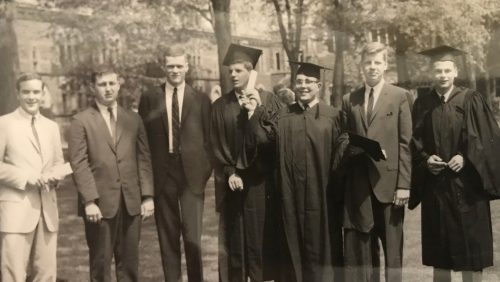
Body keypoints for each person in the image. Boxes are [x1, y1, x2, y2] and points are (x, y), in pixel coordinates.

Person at [410, 45, 500, 282]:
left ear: (455, 71)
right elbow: (414, 142)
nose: (442, 75)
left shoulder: (471, 99)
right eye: (438, 70)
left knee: (471, 252)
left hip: (467, 189)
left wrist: (465, 156)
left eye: (447, 70)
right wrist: (426, 159)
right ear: (432, 73)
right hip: (436, 190)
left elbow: (487, 138)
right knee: (440, 254)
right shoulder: (422, 104)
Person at [251, 61, 343, 282]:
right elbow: (263, 143)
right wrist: (254, 113)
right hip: (289, 198)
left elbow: (342, 154)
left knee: (322, 249)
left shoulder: (333, 116)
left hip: (322, 199)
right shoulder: (283, 117)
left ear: (319, 85)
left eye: (308, 82)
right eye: (299, 82)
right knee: (291, 247)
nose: (303, 86)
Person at [68, 65, 154, 282]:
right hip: (100, 206)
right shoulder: (81, 121)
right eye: (102, 84)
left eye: (112, 83)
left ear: (119, 84)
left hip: (131, 203)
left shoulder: (133, 119)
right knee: (101, 267)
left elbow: (143, 158)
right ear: (92, 87)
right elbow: (79, 163)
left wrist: (147, 196)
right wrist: (89, 201)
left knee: (130, 267)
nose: (108, 89)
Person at [138, 47, 212, 282]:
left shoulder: (200, 98)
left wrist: (202, 174)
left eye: (179, 66)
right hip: (163, 174)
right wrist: (148, 184)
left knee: (193, 237)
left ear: (187, 67)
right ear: (164, 68)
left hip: (192, 176)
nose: (175, 70)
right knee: (168, 236)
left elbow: (210, 141)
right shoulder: (150, 98)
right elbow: (143, 142)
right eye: (171, 66)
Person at [339, 42, 412, 282]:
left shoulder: (400, 96)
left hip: (390, 186)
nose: (372, 67)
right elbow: (343, 138)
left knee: (392, 252)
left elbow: (405, 143)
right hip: (360, 186)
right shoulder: (350, 99)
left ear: (385, 65)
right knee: (364, 250)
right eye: (368, 62)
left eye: (377, 62)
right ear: (361, 66)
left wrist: (404, 185)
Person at [210, 43, 282, 282]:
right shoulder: (220, 107)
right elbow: (217, 145)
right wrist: (230, 172)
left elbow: (274, 142)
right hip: (233, 185)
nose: (232, 75)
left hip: (262, 185)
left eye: (238, 70)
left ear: (251, 73)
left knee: (262, 239)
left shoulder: (270, 102)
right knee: (236, 243)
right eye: (230, 71)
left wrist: (255, 113)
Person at [0, 73, 65, 281]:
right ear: (18, 94)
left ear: (43, 93)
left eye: (36, 92)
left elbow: (57, 163)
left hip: (48, 213)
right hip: (16, 212)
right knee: (13, 275)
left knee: (46, 275)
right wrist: (25, 176)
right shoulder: (4, 124)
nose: (31, 97)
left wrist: (55, 177)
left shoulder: (51, 127)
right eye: (26, 92)